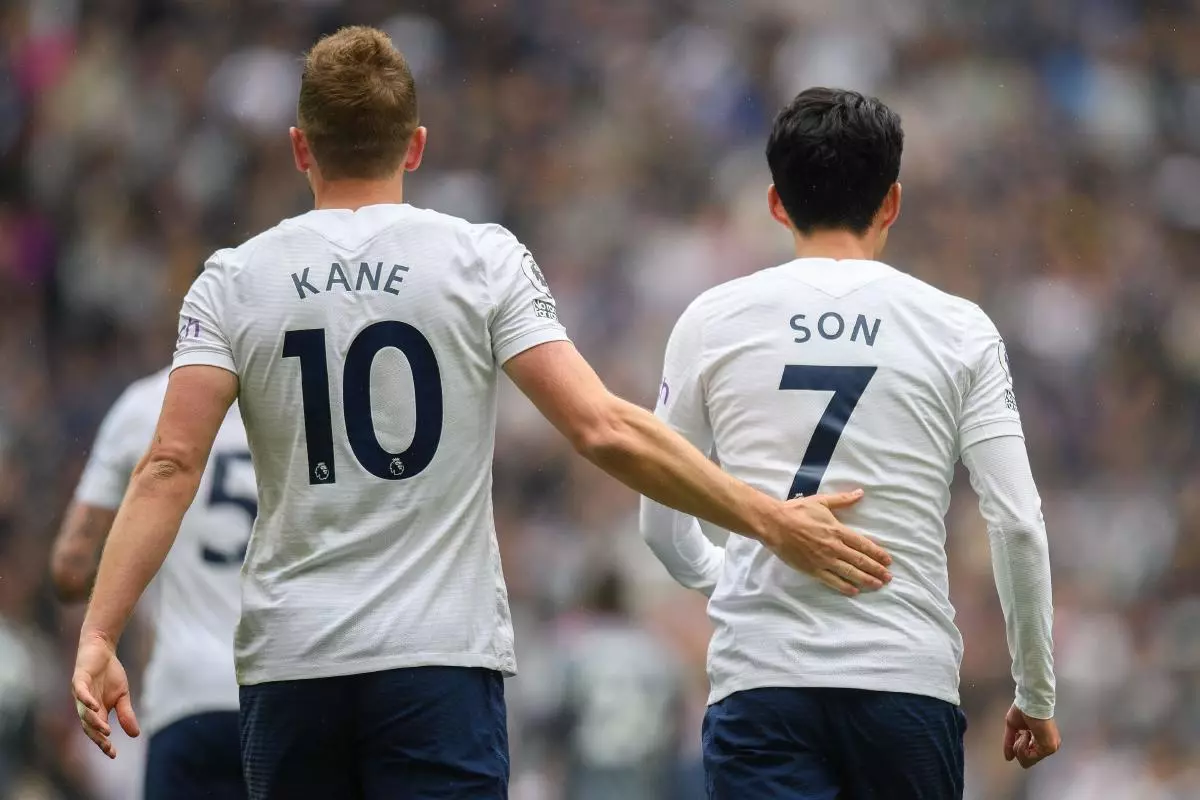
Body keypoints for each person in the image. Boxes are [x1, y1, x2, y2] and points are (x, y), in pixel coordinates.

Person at [69, 28, 893, 800]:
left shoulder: (234, 279)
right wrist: (765, 518)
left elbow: (170, 465)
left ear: (300, 147)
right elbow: (600, 426)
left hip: (293, 662)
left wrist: (100, 634)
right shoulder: (478, 259)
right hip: (437, 661)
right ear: (416, 144)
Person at [640, 87, 1060, 800]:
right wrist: (1037, 692)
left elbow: (661, 522)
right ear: (892, 201)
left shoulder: (713, 320)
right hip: (904, 685)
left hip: (762, 684)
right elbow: (1017, 523)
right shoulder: (959, 329)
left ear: (776, 202)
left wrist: (739, 569)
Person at [52, 369, 251, 799]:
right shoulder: (302, 395)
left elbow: (70, 566)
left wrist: (135, 552)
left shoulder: (144, 406)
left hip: (188, 698)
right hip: (289, 694)